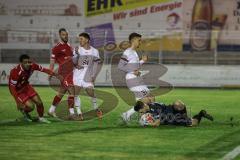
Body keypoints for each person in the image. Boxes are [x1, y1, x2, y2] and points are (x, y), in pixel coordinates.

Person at [8, 54, 60, 123]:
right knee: (31, 107)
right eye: (25, 63)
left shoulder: (33, 65)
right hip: (17, 90)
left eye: (28, 62)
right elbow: (12, 88)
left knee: (39, 102)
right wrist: (18, 102)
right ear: (21, 63)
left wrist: (54, 74)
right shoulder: (15, 72)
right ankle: (24, 111)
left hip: (26, 86)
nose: (28, 64)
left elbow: (44, 70)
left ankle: (41, 118)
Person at [118, 32, 154, 122]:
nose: (140, 42)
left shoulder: (134, 52)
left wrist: (142, 61)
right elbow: (120, 66)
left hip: (137, 79)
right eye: (139, 40)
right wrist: (132, 71)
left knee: (150, 99)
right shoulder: (128, 52)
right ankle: (131, 116)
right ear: (133, 40)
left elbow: (135, 67)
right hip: (132, 79)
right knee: (147, 99)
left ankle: (141, 118)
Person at [48, 28, 80, 119]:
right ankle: (72, 113)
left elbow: (72, 60)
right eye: (63, 35)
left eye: (66, 34)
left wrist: (76, 61)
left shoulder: (69, 46)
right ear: (60, 35)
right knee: (72, 91)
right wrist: (50, 72)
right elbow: (52, 61)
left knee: (61, 93)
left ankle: (51, 110)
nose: (65, 36)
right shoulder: (56, 48)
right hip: (63, 73)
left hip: (70, 73)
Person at [72, 32, 103, 120]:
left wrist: (94, 75)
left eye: (81, 39)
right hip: (77, 74)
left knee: (91, 92)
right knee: (76, 94)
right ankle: (79, 112)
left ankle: (96, 108)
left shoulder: (94, 51)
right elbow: (73, 62)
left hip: (88, 75)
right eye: (79, 39)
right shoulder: (77, 49)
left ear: (87, 40)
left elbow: (96, 64)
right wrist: (77, 55)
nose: (80, 40)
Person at [134, 100, 214, 127]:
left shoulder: (154, 106)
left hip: (171, 114)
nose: (141, 113)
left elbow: (157, 122)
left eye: (140, 111)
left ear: (143, 107)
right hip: (171, 115)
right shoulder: (148, 110)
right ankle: (201, 113)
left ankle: (188, 116)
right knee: (194, 123)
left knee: (177, 103)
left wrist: (152, 123)